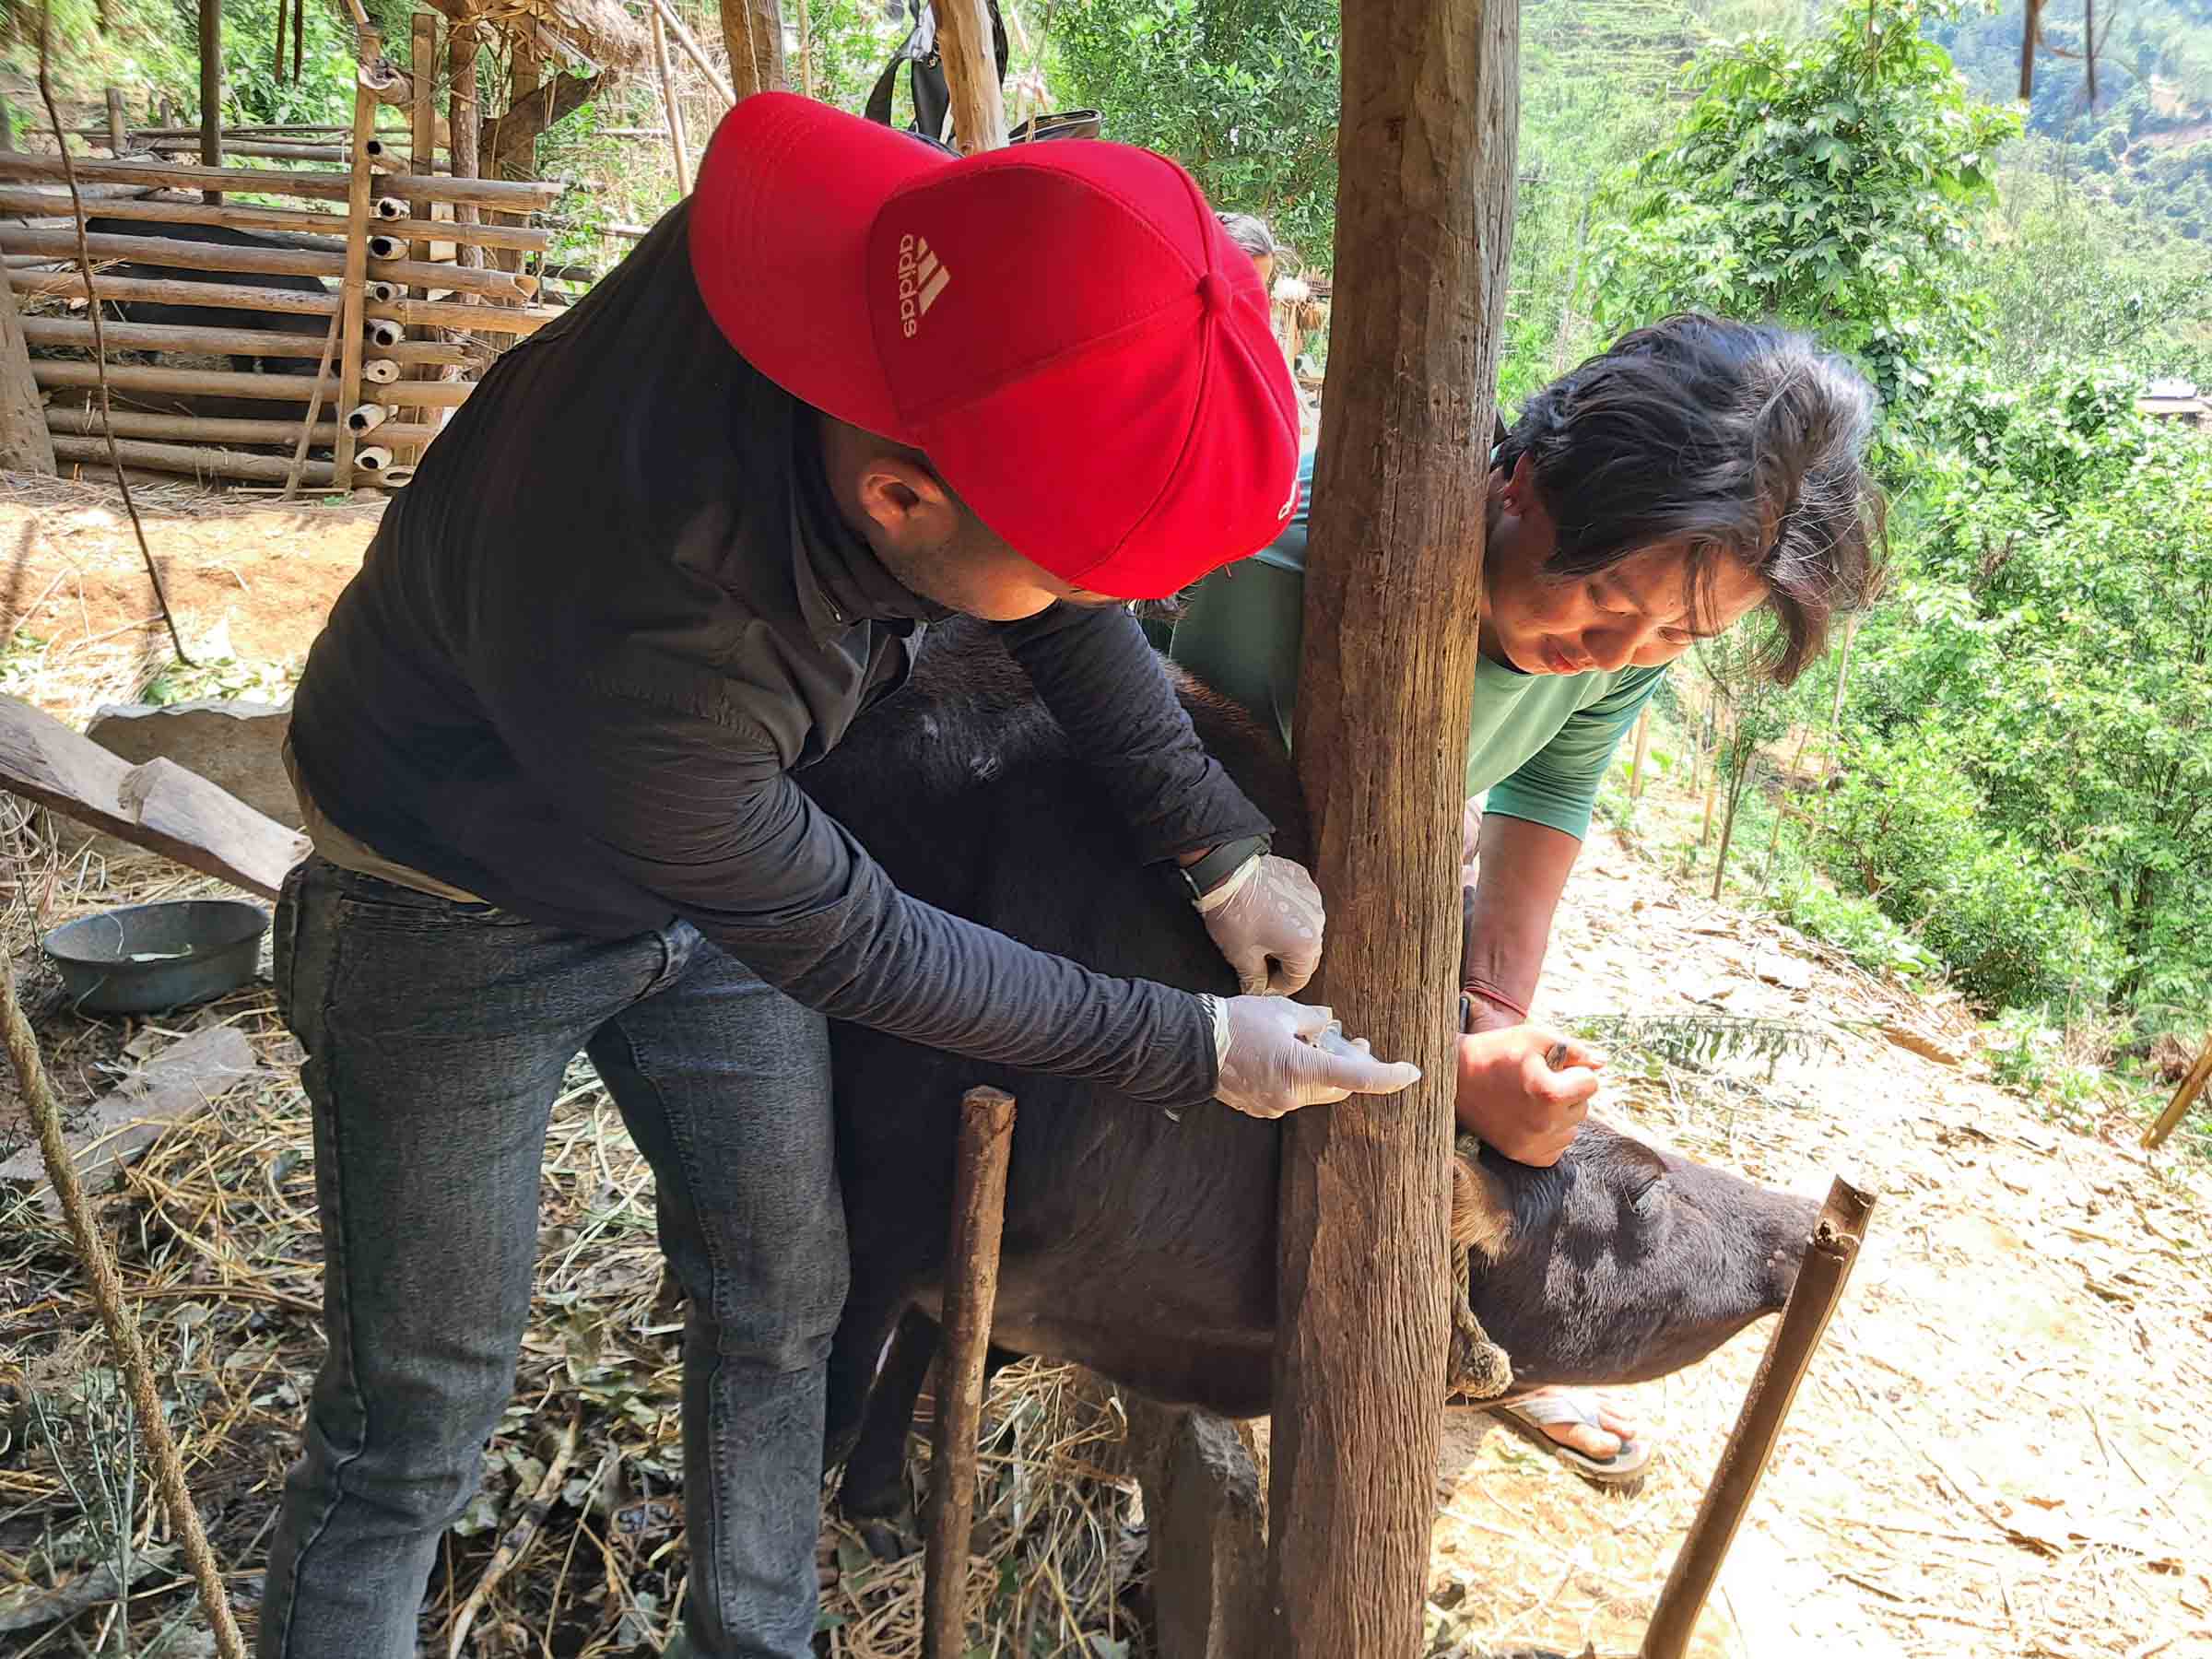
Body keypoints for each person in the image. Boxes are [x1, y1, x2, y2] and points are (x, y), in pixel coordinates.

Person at [258, 96, 1421, 1659]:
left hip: (704, 857)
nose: (1081, 601)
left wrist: (1211, 843)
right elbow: (856, 941)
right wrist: (1195, 1045)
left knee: (783, 1294)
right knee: (422, 1406)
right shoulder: (661, 623)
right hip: (446, 896)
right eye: (1065, 566)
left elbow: (1034, 574)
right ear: (897, 504)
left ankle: (754, 1635)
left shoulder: (889, 310)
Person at [1168, 311, 1884, 1483]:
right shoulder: (1285, 580)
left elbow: (1545, 796)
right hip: (1216, 874)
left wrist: (1496, 1026)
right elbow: (1223, 885)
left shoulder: (1630, 638)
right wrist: (1435, 1070)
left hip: (1379, 854)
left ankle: (1484, 1340)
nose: (1618, 649)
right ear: (1524, 480)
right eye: (1603, 599)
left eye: (1676, 634)